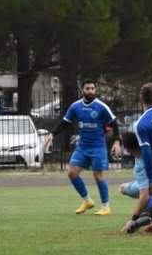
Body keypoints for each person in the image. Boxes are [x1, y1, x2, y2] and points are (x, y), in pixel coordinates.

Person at [48, 80, 121, 215]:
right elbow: (65, 122)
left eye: (93, 88)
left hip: (98, 147)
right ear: (82, 90)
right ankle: (87, 201)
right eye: (87, 88)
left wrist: (117, 141)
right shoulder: (75, 106)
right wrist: (53, 134)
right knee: (72, 173)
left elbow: (114, 123)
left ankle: (106, 207)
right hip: (82, 147)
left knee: (98, 176)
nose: (90, 91)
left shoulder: (101, 106)